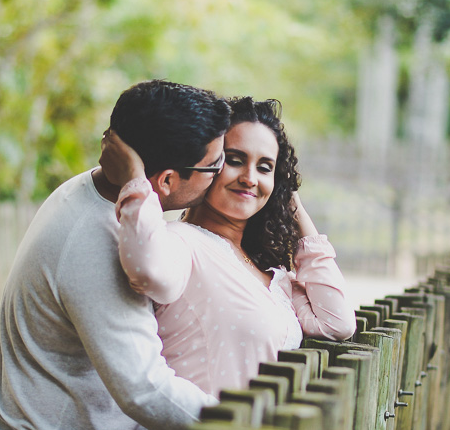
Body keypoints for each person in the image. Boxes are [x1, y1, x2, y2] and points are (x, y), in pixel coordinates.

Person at [0, 79, 231, 430]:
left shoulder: (95, 191)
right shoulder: (99, 242)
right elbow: (144, 389)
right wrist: (242, 426)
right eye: (215, 165)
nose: (223, 173)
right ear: (167, 180)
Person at [101, 96, 356, 395]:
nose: (250, 178)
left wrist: (292, 203)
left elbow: (337, 323)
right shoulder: (182, 242)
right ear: (208, 164)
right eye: (234, 160)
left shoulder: (272, 277)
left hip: (266, 425)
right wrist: (134, 179)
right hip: (202, 424)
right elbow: (147, 270)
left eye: (265, 167)